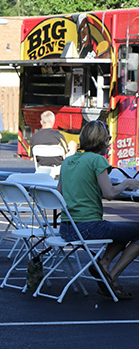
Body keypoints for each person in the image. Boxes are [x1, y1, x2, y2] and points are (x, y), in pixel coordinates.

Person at [58, 120, 139, 300]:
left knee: (122, 231)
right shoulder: (97, 160)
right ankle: (111, 275)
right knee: (137, 230)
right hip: (89, 227)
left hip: (66, 228)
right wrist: (126, 183)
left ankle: (104, 263)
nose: (109, 143)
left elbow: (60, 192)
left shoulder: (68, 161)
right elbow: (109, 194)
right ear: (101, 140)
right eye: (108, 139)